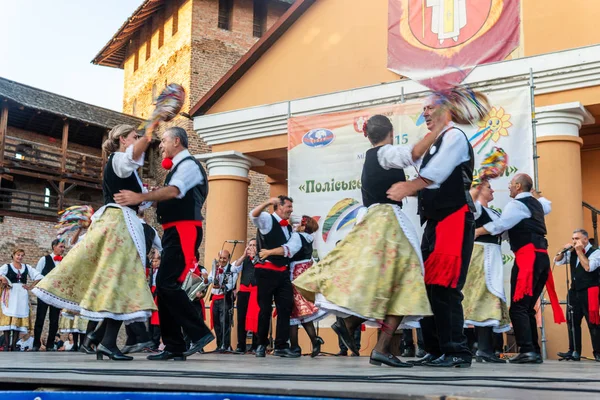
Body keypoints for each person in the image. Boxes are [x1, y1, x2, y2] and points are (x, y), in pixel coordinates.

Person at [294, 114, 437, 367]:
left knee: (387, 283)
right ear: (390, 132)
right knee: (408, 280)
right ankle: (375, 342)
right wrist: (440, 129)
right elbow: (412, 154)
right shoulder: (386, 153)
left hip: (374, 219)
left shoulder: (373, 157)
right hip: (387, 221)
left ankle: (353, 325)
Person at [32, 123, 158, 361]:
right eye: (134, 136)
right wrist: (151, 130)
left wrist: (147, 196)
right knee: (119, 281)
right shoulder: (120, 159)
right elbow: (132, 157)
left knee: (119, 283)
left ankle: (107, 342)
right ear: (122, 139)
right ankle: (107, 342)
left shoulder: (123, 165)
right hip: (119, 226)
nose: (139, 139)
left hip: (122, 223)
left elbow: (139, 201)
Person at [386, 94, 477, 368]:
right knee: (427, 286)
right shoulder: (436, 142)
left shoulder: (454, 137)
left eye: (429, 107)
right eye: (423, 108)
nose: (424, 113)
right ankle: (436, 348)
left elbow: (439, 172)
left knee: (445, 287)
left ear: (446, 110)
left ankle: (456, 351)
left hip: (454, 219)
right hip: (436, 222)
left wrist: (410, 186)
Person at [114, 126, 215, 361]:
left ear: (177, 141)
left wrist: (140, 197)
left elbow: (174, 191)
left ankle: (198, 332)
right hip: (174, 231)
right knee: (164, 286)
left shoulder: (189, 165)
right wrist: (151, 198)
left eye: (164, 142)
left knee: (167, 283)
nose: (160, 146)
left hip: (184, 230)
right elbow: (171, 195)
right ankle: (174, 346)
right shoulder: (178, 168)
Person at [475, 173, 564, 364]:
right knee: (528, 307)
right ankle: (533, 350)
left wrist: (477, 232)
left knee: (518, 307)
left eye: (510, 184)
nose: (508, 187)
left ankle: (527, 350)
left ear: (517, 186)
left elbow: (501, 225)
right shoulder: (537, 205)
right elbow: (547, 204)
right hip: (541, 257)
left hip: (527, 258)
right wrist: (536, 193)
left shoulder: (516, 205)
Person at [260, 216, 326, 357]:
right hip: (303, 275)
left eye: (299, 224)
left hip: (294, 275)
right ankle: (308, 342)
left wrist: (270, 252)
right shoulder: (309, 239)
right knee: (299, 313)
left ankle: (297, 346)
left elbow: (288, 250)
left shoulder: (297, 237)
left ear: (303, 226)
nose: (296, 225)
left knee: (292, 312)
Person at [462, 182, 510, 363]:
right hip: (480, 255)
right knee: (483, 298)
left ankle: (485, 348)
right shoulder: (476, 209)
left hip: (493, 255)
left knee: (490, 299)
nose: (492, 190)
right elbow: (470, 204)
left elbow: (504, 231)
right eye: (488, 187)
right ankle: (482, 348)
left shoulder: (495, 213)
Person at [250, 196, 302, 358]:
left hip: (283, 272)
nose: (291, 209)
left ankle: (281, 345)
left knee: (285, 309)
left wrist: (271, 252)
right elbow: (253, 215)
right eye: (288, 206)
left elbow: (289, 249)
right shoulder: (268, 219)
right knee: (264, 309)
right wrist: (266, 203)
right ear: (278, 207)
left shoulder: (288, 228)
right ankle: (261, 344)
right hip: (266, 272)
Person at [555, 229, 600, 362]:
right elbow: (557, 261)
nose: (574, 241)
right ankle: (573, 351)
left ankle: (598, 352)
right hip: (574, 291)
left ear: (585, 240)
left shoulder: (596, 252)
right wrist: (563, 249)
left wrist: (579, 251)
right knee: (572, 321)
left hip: (589, 291)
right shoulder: (573, 252)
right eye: (573, 238)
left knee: (593, 322)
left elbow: (588, 267)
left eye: (577, 239)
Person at [0, 249, 44, 351]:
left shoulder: (26, 267)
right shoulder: (7, 267)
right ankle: (6, 344)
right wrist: (3, 279)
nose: (20, 257)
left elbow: (38, 276)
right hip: (10, 294)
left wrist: (31, 286)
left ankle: (14, 344)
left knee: (18, 320)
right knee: (8, 318)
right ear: (13, 255)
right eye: (18, 255)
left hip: (21, 295)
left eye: (21, 255)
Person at [32, 239, 66, 351]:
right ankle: (36, 344)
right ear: (54, 246)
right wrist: (34, 288)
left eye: (63, 247)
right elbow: (36, 275)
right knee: (40, 318)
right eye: (61, 246)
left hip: (56, 294)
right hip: (43, 293)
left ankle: (51, 344)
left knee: (54, 320)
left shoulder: (64, 261)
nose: (63, 249)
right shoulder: (44, 259)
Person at [231, 239, 259, 354]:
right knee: (241, 318)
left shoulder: (261, 259)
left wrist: (255, 257)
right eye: (250, 245)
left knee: (256, 318)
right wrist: (243, 255)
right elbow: (234, 269)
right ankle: (240, 345)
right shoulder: (244, 259)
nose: (251, 247)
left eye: (254, 245)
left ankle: (256, 345)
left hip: (256, 291)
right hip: (244, 290)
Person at [208, 250, 237, 351]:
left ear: (228, 258)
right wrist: (206, 280)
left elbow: (231, 285)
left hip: (225, 298)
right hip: (215, 299)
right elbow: (210, 278)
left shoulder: (231, 269)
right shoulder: (215, 268)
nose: (222, 260)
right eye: (221, 258)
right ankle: (219, 345)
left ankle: (226, 345)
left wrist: (220, 285)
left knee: (224, 323)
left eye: (224, 258)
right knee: (217, 324)